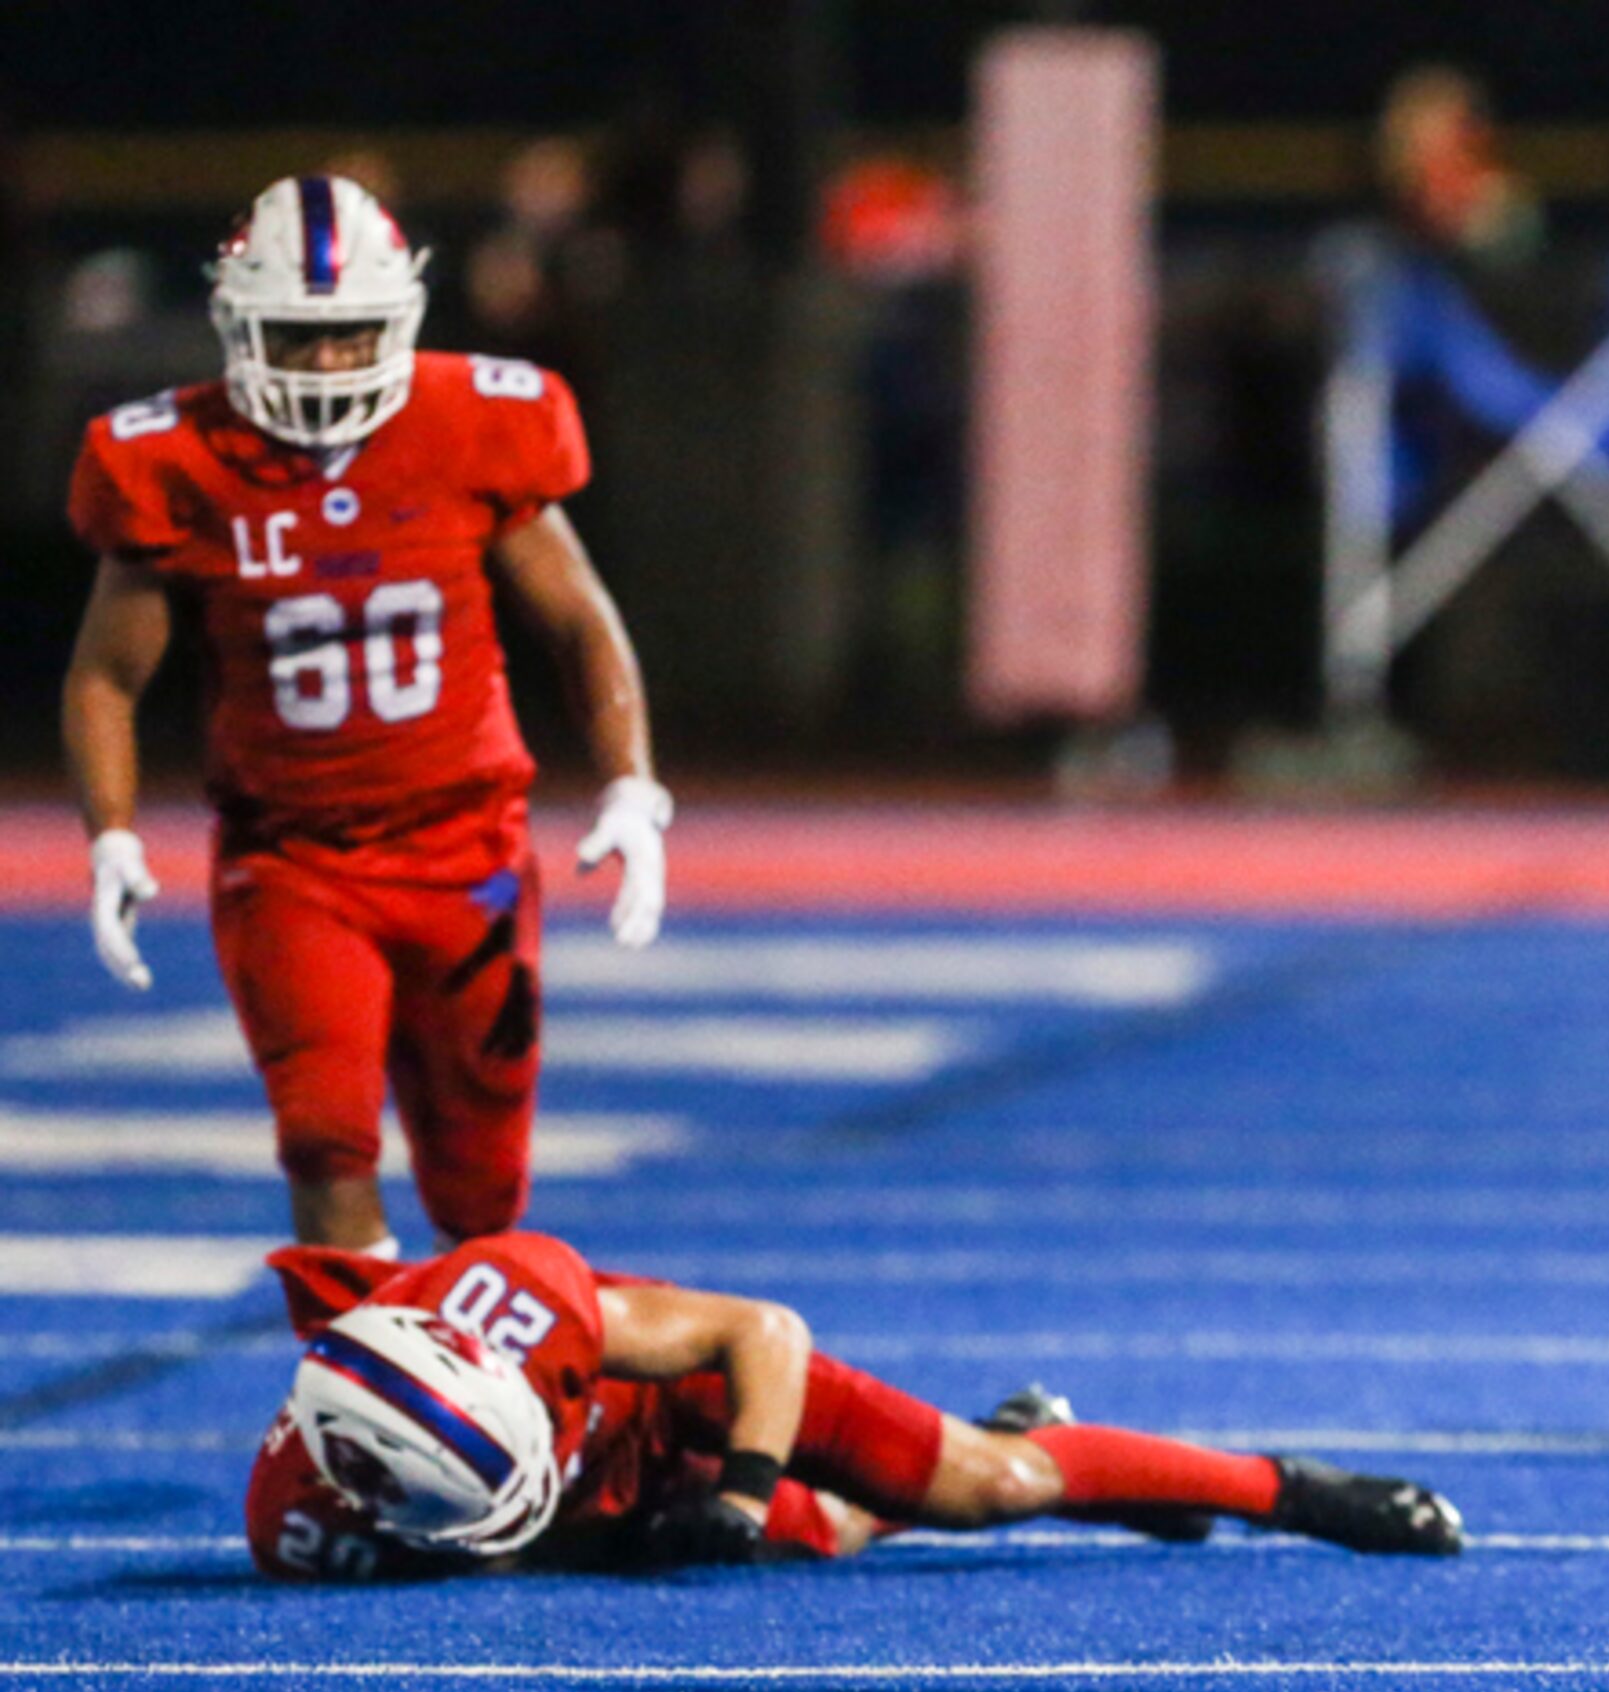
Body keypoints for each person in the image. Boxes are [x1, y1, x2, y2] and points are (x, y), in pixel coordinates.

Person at [61, 174, 672, 1260]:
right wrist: (109, 833)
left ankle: (478, 1385)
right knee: (325, 1137)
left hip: (466, 846)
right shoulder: (173, 458)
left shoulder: (474, 421)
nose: (331, 363)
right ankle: (366, 1411)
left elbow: (581, 620)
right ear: (240, 327)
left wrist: (631, 783)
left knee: (482, 1187)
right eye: (300, 337)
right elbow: (108, 674)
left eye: (352, 335)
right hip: (294, 859)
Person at [246, 1230, 1464, 1582]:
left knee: (998, 1487)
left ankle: (1292, 1490)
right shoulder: (300, 1524)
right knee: (834, 1536)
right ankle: (1040, 1437)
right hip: (592, 1498)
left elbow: (759, 1330)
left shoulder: (535, 1299)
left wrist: (741, 1487)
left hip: (687, 1408)